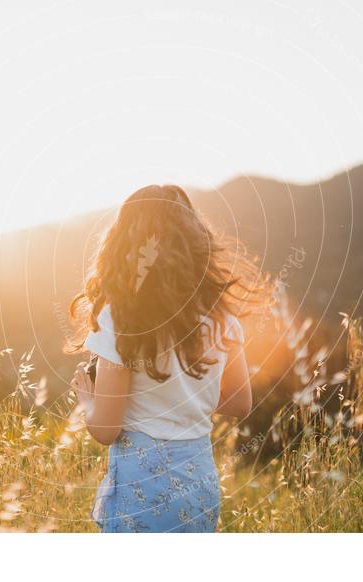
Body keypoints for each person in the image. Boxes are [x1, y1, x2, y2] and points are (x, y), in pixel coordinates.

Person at [68, 184, 273, 533]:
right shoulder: (222, 317)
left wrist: (88, 399)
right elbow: (240, 402)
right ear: (194, 243)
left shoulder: (119, 319)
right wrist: (185, 398)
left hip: (141, 492)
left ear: (123, 246)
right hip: (199, 487)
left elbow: (105, 429)